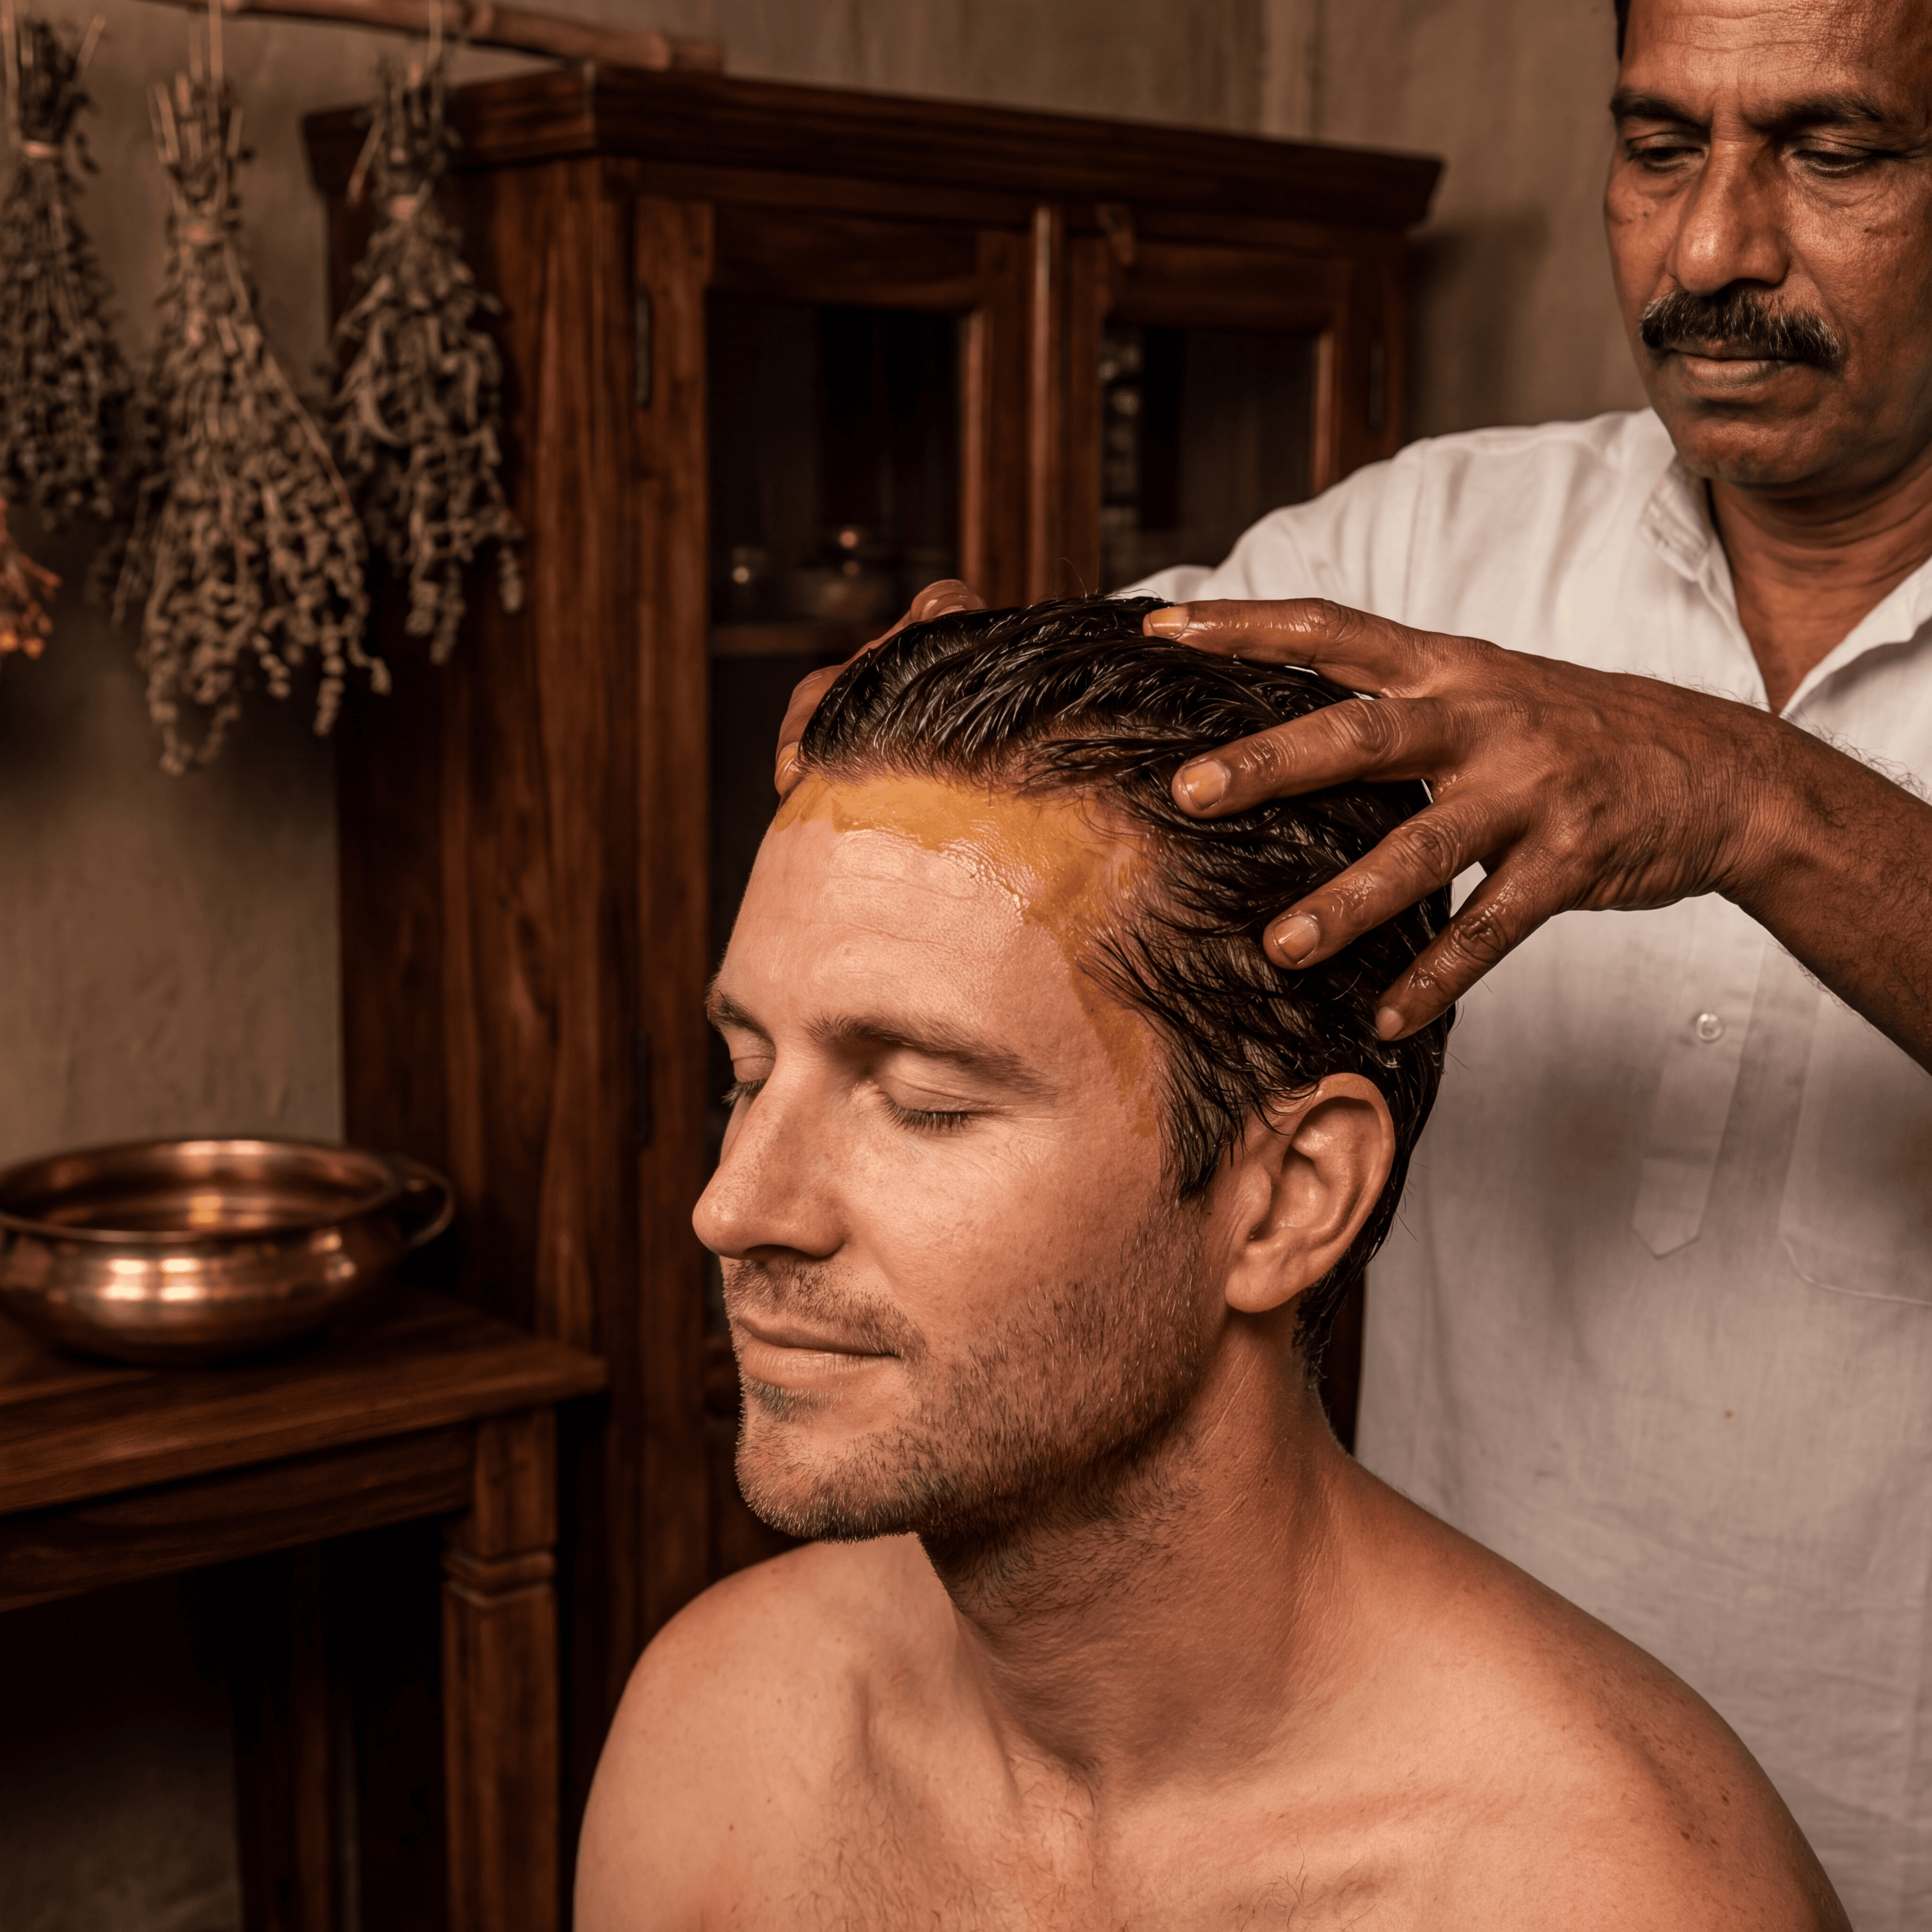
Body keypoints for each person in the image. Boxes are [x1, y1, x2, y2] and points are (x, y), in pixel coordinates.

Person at [767, 3, 1932, 1920]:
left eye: (1831, 152)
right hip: (1456, 1816)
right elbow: (1090, 729)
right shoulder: (1433, 542)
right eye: (1659, 149)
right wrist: (932, 713)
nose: (1714, 248)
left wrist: (1737, 793)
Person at [577, 597, 1847, 1931]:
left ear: (1290, 1199)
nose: (734, 1210)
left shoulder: (1614, 1891)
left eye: (928, 1103)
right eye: (749, 1074)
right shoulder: (718, 1735)